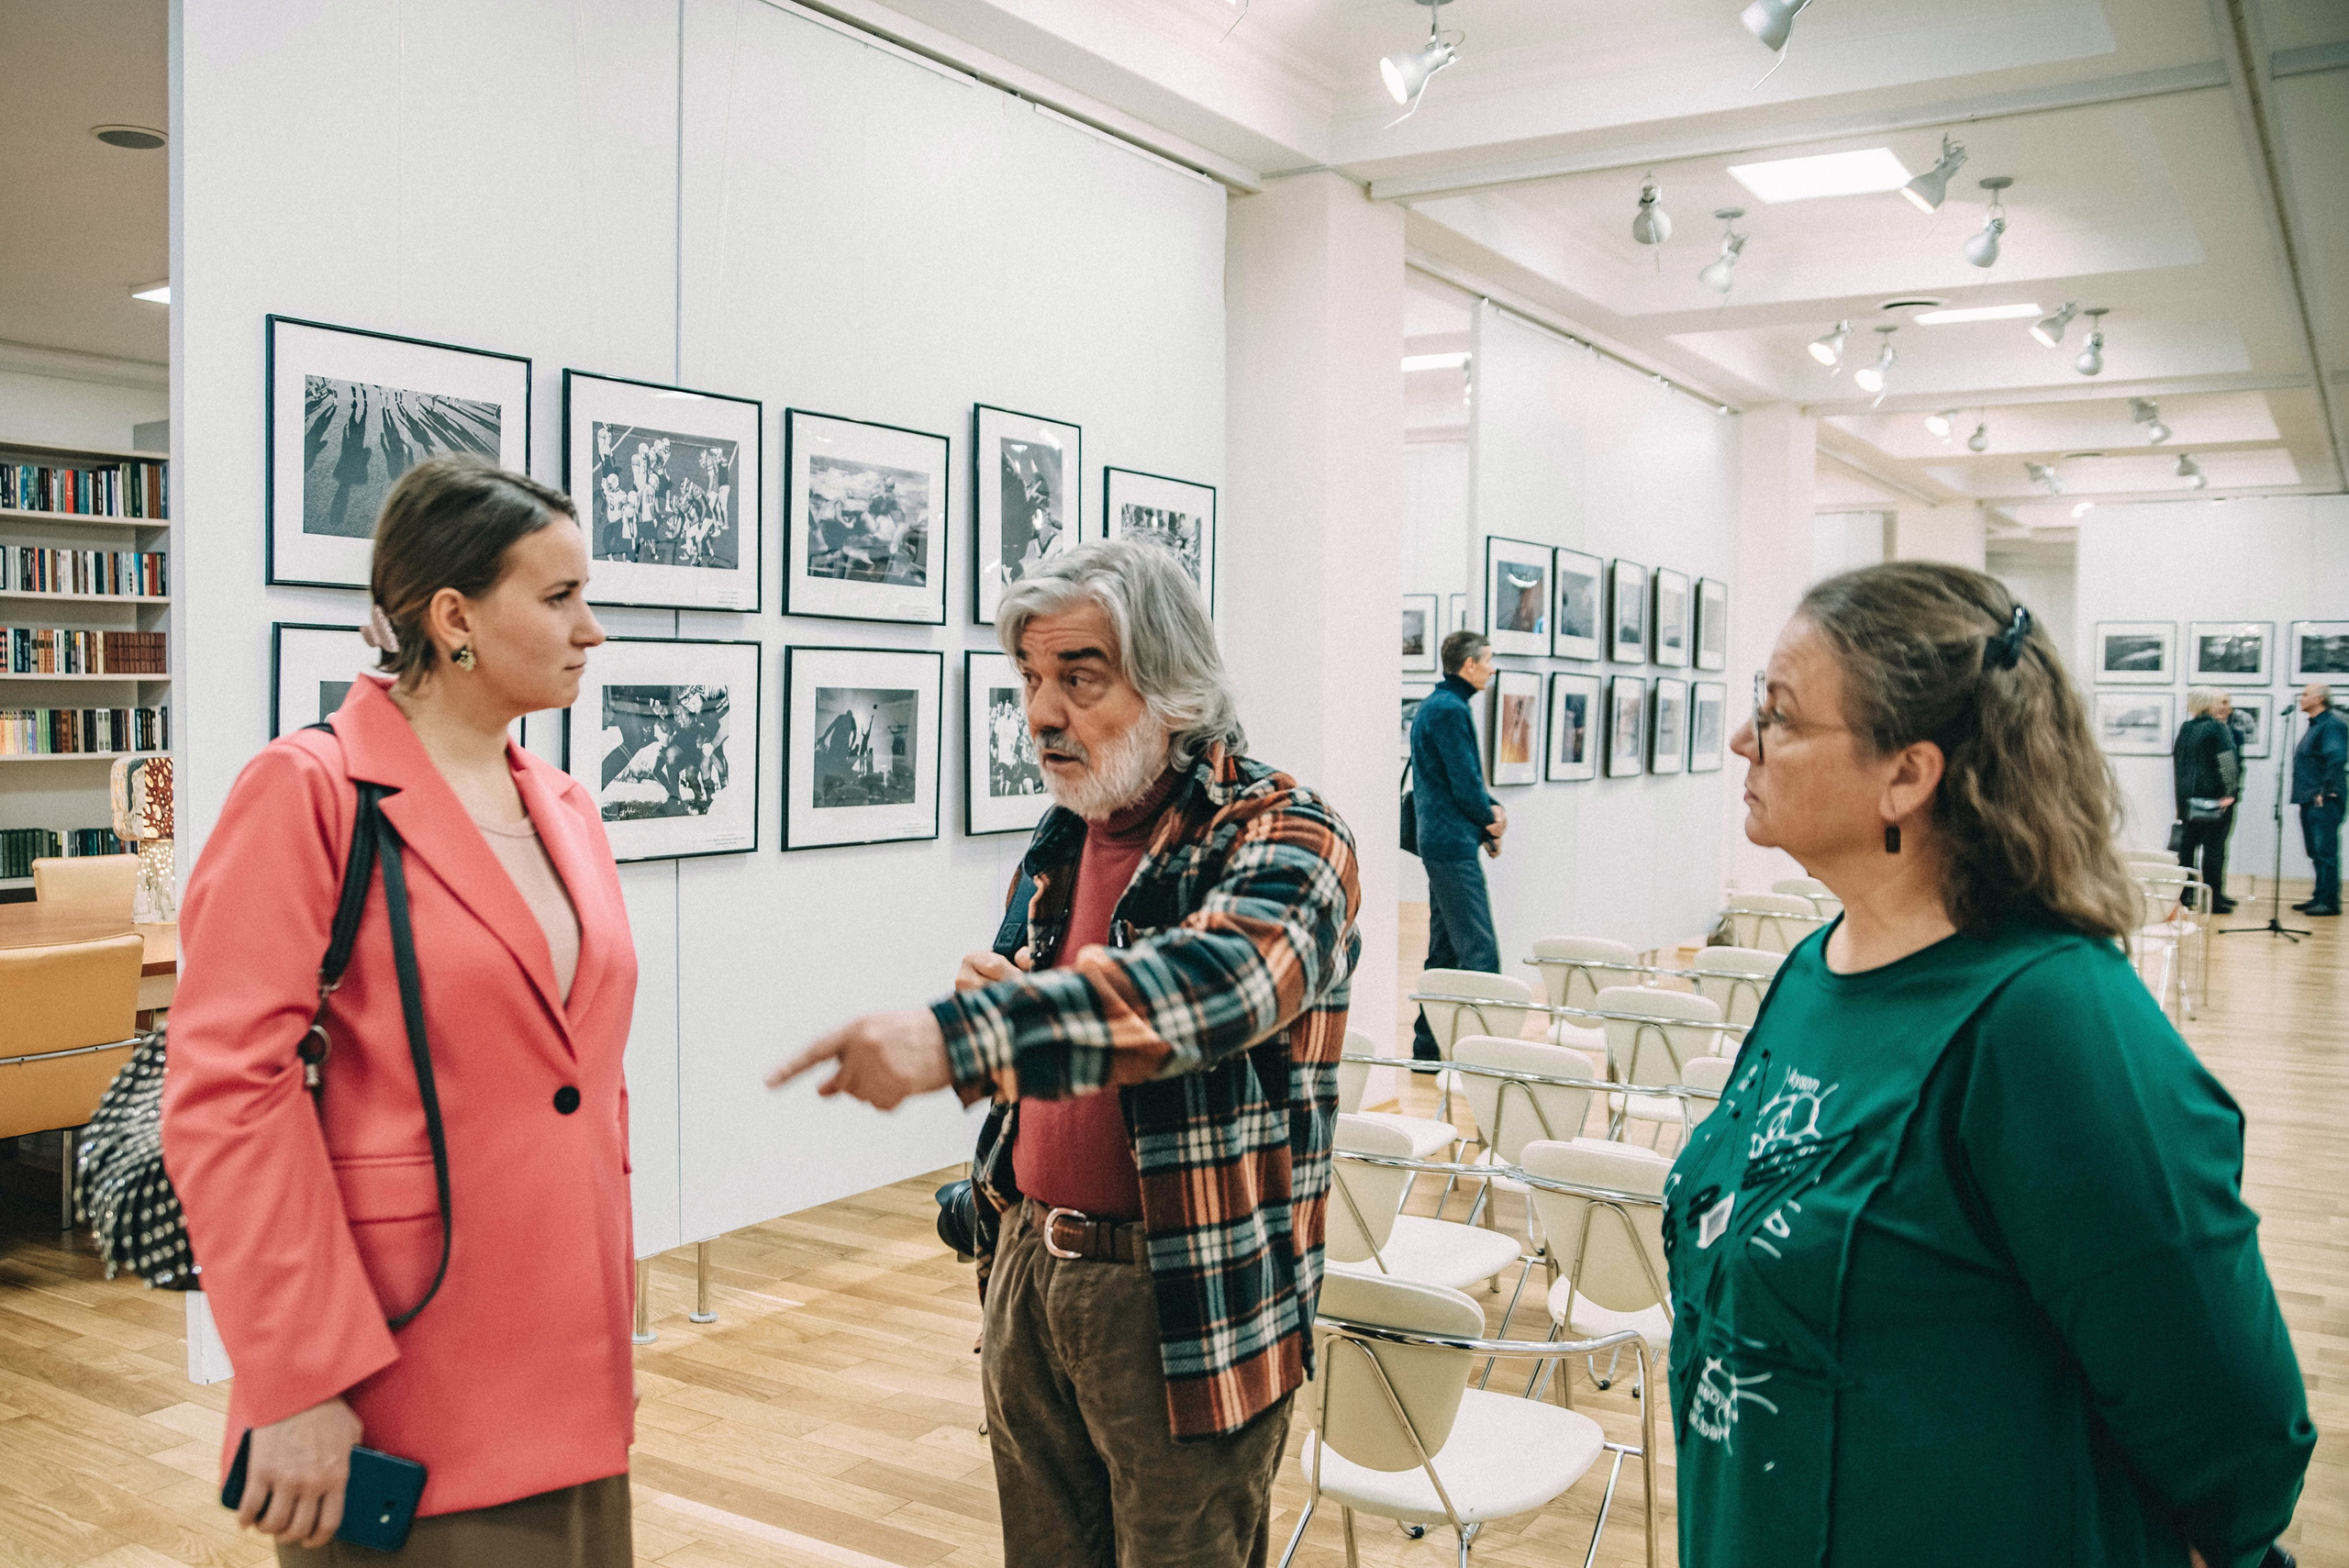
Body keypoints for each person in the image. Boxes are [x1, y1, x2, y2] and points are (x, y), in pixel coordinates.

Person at [1667, 562, 2313, 1567]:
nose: (1746, 739)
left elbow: (2231, 1415)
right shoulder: (1812, 967)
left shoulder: (2049, 1017)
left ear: (1907, 773)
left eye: (1781, 713)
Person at [766, 539, 1362, 1568]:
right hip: (1031, 1272)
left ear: (1173, 685)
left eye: (1079, 678)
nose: (1042, 712)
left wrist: (973, 1033)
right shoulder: (1061, 836)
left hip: (1184, 1298)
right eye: (1031, 680)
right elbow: (1060, 1047)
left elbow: (1212, 989)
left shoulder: (1289, 836)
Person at [163, 456, 639, 1564]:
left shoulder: (563, 803)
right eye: (560, 597)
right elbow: (227, 1095)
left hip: (570, 1352)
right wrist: (294, 1377)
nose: (593, 629)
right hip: (396, 1360)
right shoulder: (310, 789)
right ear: (455, 616)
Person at [1408, 628, 1507, 1062]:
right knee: (1480, 954)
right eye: (1488, 660)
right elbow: (1465, 785)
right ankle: (1483, 1059)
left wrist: (1487, 818)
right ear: (1469, 665)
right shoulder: (1449, 710)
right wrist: (1492, 821)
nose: (1492, 667)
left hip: (1439, 840)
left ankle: (1427, 1050)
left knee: (1445, 952)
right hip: (1451, 844)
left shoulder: (1436, 706)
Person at [2173, 686, 2241, 914]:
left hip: (2187, 801)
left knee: (2187, 849)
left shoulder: (2187, 728)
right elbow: (2227, 763)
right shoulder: (2217, 728)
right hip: (2213, 800)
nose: (2224, 707)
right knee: (2214, 849)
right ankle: (2214, 898)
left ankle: (2186, 895)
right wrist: (2230, 793)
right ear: (2208, 704)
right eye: (2219, 702)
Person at [2291, 683, 2345, 917]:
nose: (2301, 698)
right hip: (2309, 798)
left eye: (2305, 694)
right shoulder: (2316, 725)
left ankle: (2329, 902)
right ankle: (2319, 896)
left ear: (2319, 699)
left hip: (2322, 800)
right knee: (2316, 851)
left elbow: (2336, 758)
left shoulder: (2331, 725)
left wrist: (2326, 792)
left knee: (2325, 851)